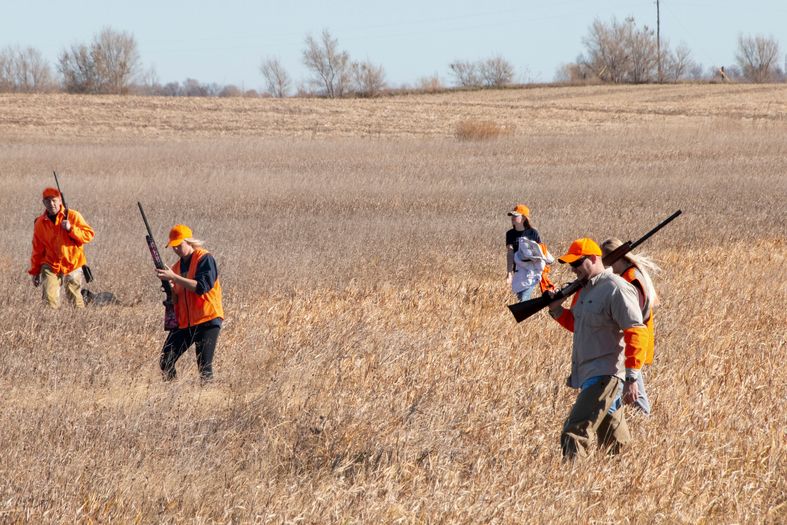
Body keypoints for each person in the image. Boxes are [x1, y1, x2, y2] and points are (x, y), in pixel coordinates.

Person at [548, 237, 649, 459]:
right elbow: (578, 324)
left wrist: (632, 376)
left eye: (576, 263)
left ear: (593, 259)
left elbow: (636, 331)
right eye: (570, 264)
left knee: (574, 432)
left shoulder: (616, 288)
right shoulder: (583, 292)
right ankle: (626, 480)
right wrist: (557, 310)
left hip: (606, 374)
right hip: (589, 374)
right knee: (615, 441)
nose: (573, 269)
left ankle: (572, 486)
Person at [155, 224, 224, 382]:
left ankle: (208, 400)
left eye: (179, 245)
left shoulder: (205, 258)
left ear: (189, 242)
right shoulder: (176, 267)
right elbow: (177, 299)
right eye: (173, 247)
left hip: (207, 319)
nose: (176, 250)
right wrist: (170, 289)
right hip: (185, 322)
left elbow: (202, 287)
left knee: (204, 368)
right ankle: (171, 396)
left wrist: (173, 277)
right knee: (166, 360)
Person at [601, 238, 660, 416]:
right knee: (627, 389)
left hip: (632, 340)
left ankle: (646, 424)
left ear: (614, 258)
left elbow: (634, 319)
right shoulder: (630, 275)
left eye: (605, 259)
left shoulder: (631, 279)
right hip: (630, 340)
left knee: (634, 391)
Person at [28, 187, 95, 309]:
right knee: (49, 300)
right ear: (43, 203)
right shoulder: (40, 223)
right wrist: (35, 271)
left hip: (72, 263)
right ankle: (51, 325)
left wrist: (71, 229)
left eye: (54, 200)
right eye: (47, 201)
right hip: (50, 264)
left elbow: (88, 235)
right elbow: (37, 249)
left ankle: (79, 324)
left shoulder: (73, 216)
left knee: (76, 301)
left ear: (60, 200)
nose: (51, 204)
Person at [506, 204, 546, 302]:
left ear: (523, 218)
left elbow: (541, 252)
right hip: (518, 271)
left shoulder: (533, 233)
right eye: (512, 216)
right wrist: (509, 273)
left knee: (523, 298)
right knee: (519, 298)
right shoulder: (510, 234)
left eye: (515, 216)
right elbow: (510, 253)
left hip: (531, 271)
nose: (512, 218)